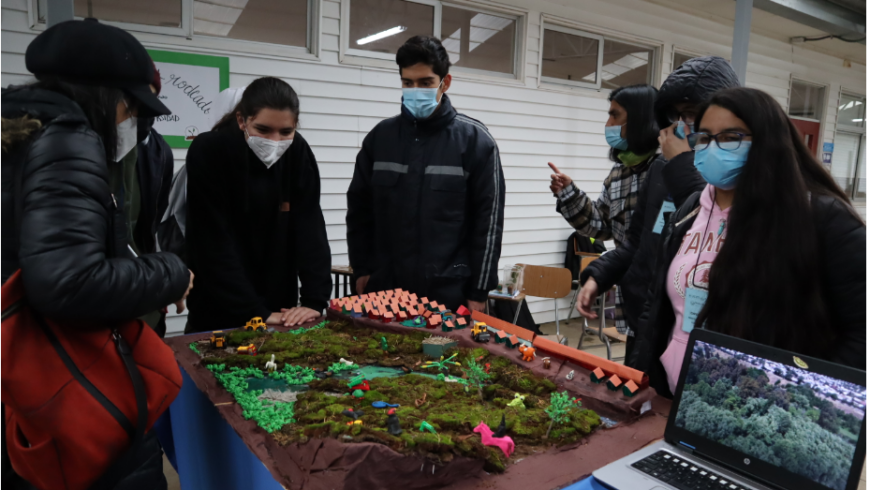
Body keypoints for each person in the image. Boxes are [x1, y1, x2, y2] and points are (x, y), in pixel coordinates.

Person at [1, 18, 192, 489]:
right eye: (130, 107)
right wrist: (172, 271)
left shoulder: (18, 135)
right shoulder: (68, 138)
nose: (130, 121)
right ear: (106, 97)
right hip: (65, 380)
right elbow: (70, 282)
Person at [632, 87, 866, 397]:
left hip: (760, 416)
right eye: (704, 137)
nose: (712, 147)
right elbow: (658, 306)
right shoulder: (690, 209)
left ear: (769, 143)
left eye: (730, 137)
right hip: (675, 400)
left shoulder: (820, 218)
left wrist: (803, 399)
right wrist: (638, 376)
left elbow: (861, 333)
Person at [572, 58, 738, 362]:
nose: (680, 125)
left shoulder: (725, 178)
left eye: (691, 114)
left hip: (703, 341)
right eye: (675, 115)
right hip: (648, 323)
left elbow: (705, 219)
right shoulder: (662, 171)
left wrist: (681, 165)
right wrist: (599, 275)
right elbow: (642, 240)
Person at [346, 36, 505, 312]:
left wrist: (479, 290)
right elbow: (359, 211)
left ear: (445, 82)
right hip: (386, 290)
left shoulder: (476, 142)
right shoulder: (380, 139)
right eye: (408, 83)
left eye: (426, 82)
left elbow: (488, 225)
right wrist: (362, 269)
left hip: (449, 295)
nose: (415, 90)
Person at [184, 77, 332, 333]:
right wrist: (255, 311)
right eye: (263, 130)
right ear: (242, 120)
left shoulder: (297, 151)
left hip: (280, 308)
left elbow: (310, 226)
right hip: (218, 308)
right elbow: (211, 241)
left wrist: (314, 301)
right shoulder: (209, 151)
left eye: (286, 132)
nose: (275, 141)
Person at [548, 84, 659, 335]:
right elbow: (600, 227)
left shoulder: (666, 170)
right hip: (630, 298)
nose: (608, 123)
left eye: (615, 115)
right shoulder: (618, 174)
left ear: (640, 118)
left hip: (661, 302)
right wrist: (569, 193)